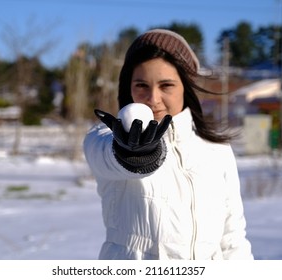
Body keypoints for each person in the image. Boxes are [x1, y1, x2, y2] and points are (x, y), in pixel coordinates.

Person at [83, 29, 253, 260]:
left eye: (166, 85)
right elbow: (103, 153)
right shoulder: (108, 137)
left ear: (186, 87)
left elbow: (232, 240)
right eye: (141, 85)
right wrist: (133, 155)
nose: (153, 99)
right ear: (128, 87)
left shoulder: (217, 150)